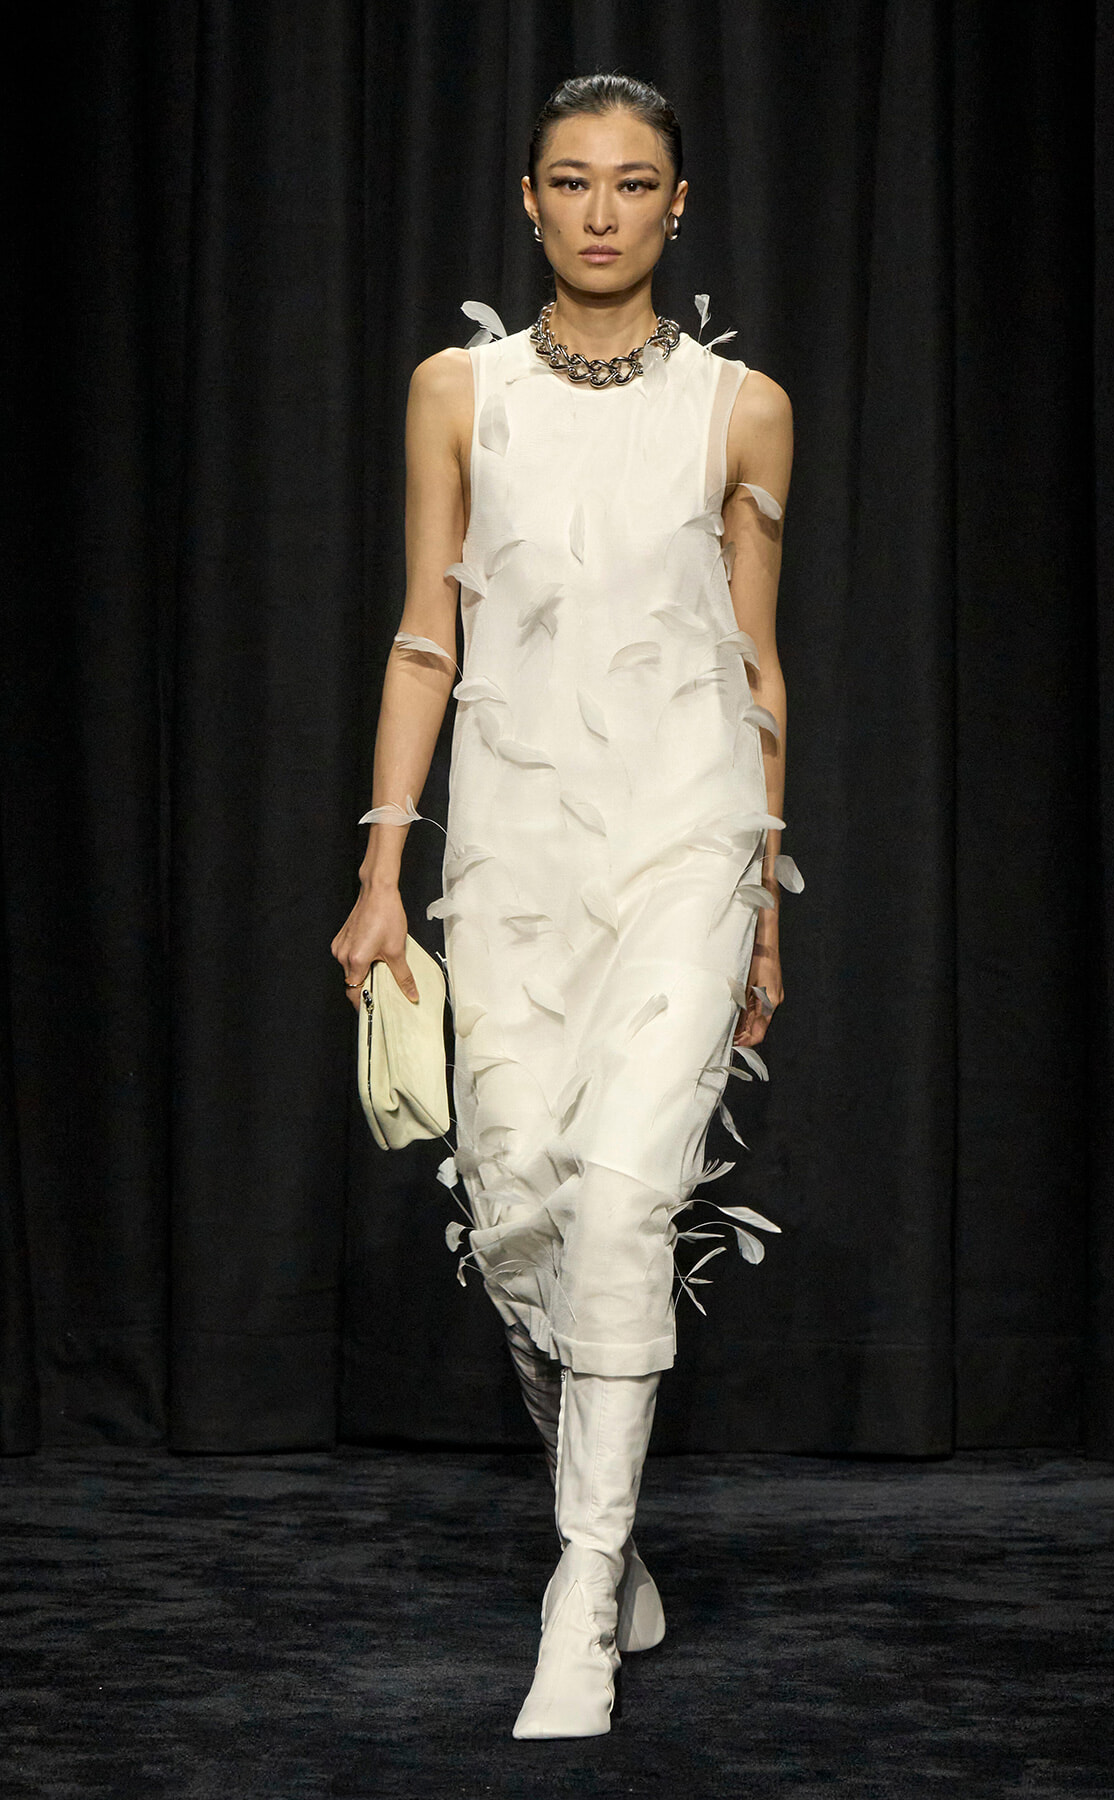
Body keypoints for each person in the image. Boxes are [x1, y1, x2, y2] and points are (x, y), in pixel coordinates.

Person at [332, 72, 797, 1739]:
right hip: (512, 858)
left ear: (680, 207)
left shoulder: (744, 409)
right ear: (528, 204)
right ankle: (600, 1529)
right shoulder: (457, 392)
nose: (605, 210)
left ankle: (582, 1598)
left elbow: (754, 661)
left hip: (683, 839)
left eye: (638, 183)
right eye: (573, 182)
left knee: (619, 1204)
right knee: (518, 1206)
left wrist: (762, 902)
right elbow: (424, 633)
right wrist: (385, 870)